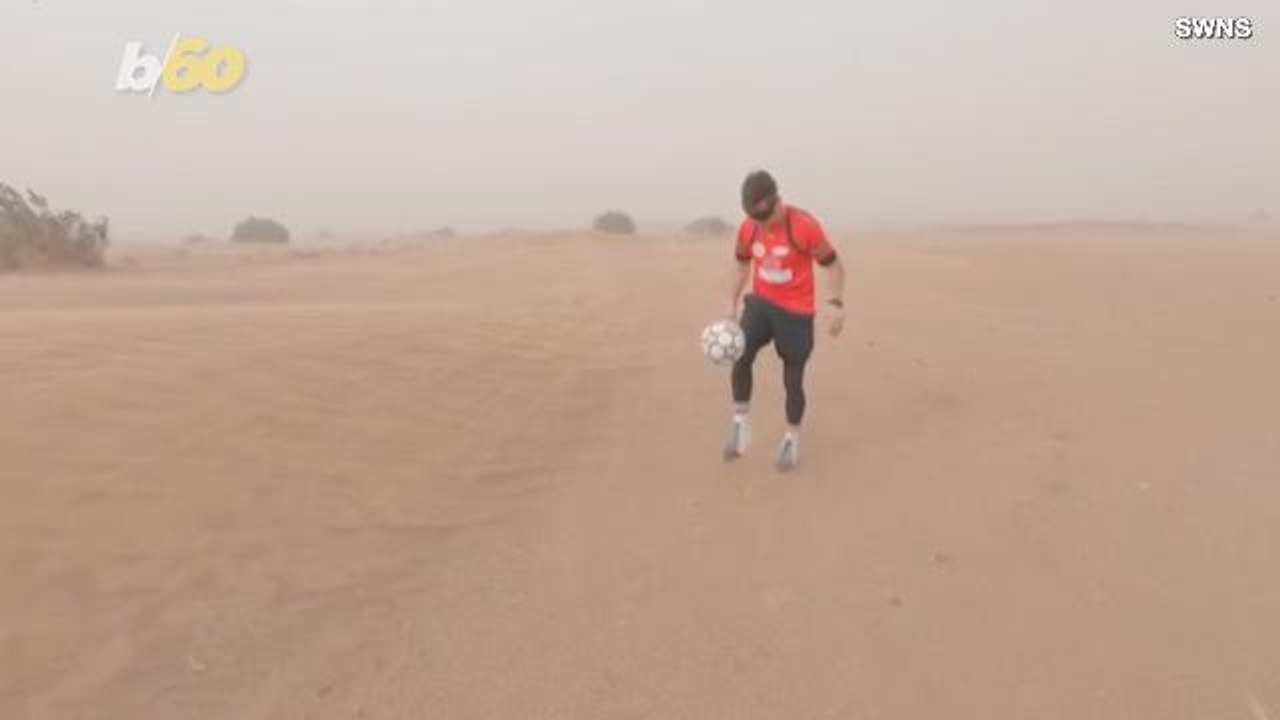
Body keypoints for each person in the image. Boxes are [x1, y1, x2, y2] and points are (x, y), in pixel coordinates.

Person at [724, 170, 845, 471]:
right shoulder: (748, 228)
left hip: (796, 313)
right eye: (758, 220)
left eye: (768, 218)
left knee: (792, 378)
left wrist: (835, 302)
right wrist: (731, 302)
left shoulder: (805, 226)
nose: (764, 225)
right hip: (761, 304)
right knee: (740, 352)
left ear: (778, 200)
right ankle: (740, 423)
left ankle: (792, 438)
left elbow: (833, 265)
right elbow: (742, 265)